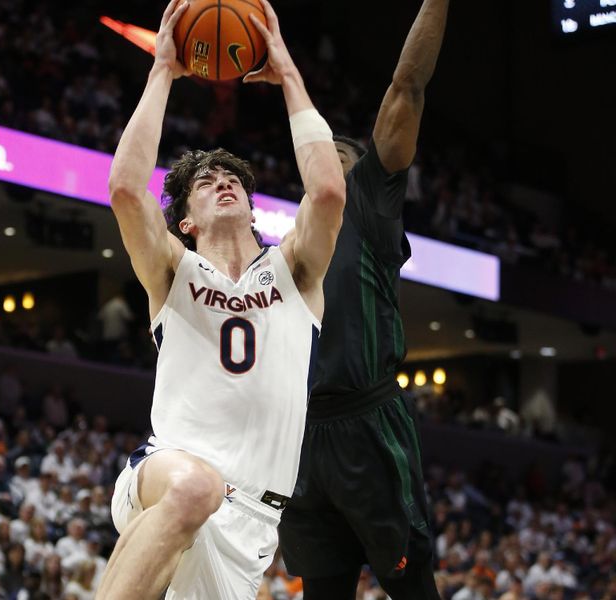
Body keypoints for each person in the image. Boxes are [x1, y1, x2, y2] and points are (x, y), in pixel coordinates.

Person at [96, 0, 345, 598]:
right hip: (168, 473)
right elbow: (127, 191)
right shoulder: (172, 271)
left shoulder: (295, 272)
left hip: (253, 520)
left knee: (205, 498)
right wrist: (162, 71)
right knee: (195, 489)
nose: (222, 183)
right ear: (184, 222)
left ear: (253, 205)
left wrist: (288, 75)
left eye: (231, 179)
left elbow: (331, 192)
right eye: (205, 184)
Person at [277, 1, 450, 598]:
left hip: (366, 423)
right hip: (297, 435)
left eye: (337, 156)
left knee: (411, 585)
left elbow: (409, 85)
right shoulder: (277, 252)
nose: (323, 163)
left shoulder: (367, 199)